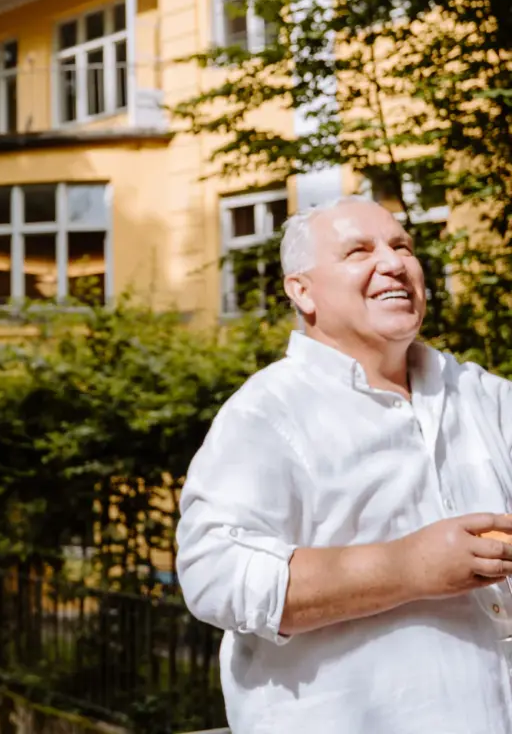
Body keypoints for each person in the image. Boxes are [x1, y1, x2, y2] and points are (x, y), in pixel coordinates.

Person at [177, 195, 512, 733]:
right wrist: (404, 567)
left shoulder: (479, 395)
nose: (394, 262)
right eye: (359, 251)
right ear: (302, 291)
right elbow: (214, 576)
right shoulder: (266, 413)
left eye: (402, 245)